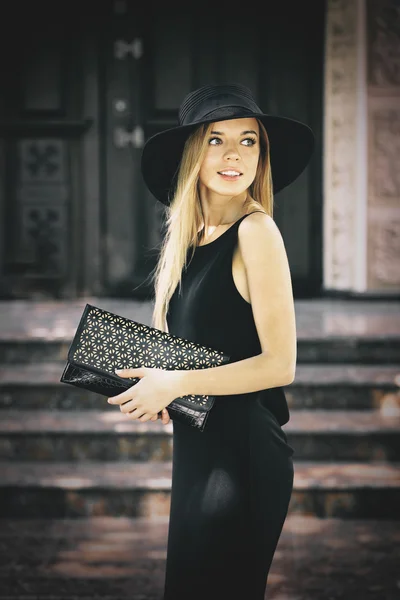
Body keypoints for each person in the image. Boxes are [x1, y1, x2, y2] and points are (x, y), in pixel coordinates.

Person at [109, 83, 315, 599]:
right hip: (200, 450)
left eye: (248, 141)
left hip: (242, 456)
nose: (233, 156)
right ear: (193, 155)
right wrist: (155, 384)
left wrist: (174, 381)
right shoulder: (192, 239)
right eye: (216, 140)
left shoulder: (257, 232)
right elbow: (201, 346)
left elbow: (279, 366)